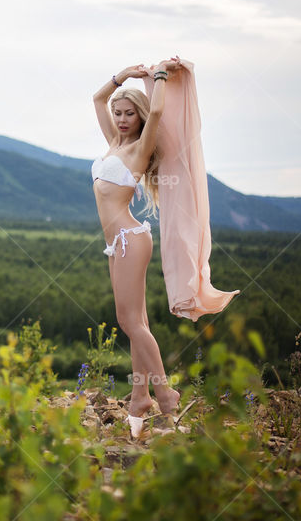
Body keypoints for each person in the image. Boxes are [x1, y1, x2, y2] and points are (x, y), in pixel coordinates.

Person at [90, 57, 183, 439]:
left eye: (129, 113)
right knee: (136, 322)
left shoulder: (139, 149)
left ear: (139, 116)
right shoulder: (114, 143)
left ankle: (165, 394)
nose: (123, 118)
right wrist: (123, 76)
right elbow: (97, 100)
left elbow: (157, 108)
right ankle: (139, 396)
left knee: (129, 321)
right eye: (119, 113)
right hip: (116, 244)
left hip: (130, 238)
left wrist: (158, 75)